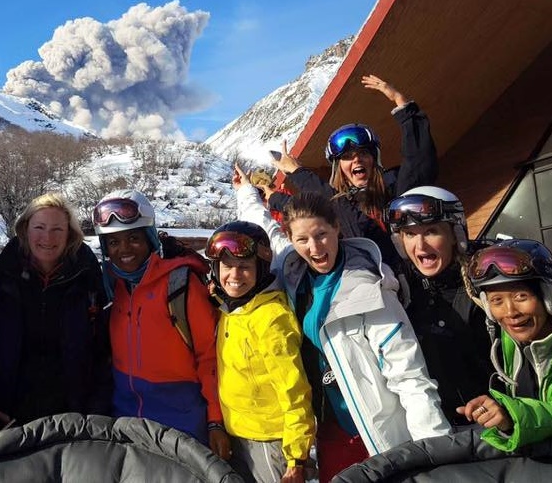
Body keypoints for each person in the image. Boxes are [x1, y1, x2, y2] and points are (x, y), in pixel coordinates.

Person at [234, 167, 450, 482]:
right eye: (303, 239)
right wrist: (244, 192)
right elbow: (263, 225)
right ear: (292, 241)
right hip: (329, 432)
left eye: (321, 234)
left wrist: (437, 453)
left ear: (337, 228)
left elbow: (410, 378)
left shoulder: (369, 291)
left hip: (373, 435)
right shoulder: (294, 272)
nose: (314, 247)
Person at [92, 190, 230, 459]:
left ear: (150, 238)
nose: (124, 250)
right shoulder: (112, 286)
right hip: (127, 420)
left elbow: (210, 356)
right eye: (114, 242)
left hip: (182, 422)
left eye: (133, 238)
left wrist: (215, 421)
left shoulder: (180, 284)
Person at [266, 75, 438, 270]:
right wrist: (272, 197)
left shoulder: (395, 188)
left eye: (363, 153)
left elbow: (419, 163)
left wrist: (403, 107)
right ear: (339, 168)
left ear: (374, 160)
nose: (357, 159)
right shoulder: (334, 208)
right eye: (348, 157)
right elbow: (304, 209)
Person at [0, 192, 111, 430]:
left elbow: (104, 354)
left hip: (73, 419)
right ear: (24, 229)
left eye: (57, 230)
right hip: (6, 417)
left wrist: (95, 413)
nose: (47, 238)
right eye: (39, 227)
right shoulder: (0, 277)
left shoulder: (89, 279)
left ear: (70, 234)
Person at [206, 221, 315, 483]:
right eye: (227, 266)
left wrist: (296, 458)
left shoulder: (271, 319)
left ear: (261, 269)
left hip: (270, 441)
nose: (234, 275)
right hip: (238, 434)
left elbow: (295, 391)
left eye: (244, 267)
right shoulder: (231, 309)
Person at [457, 239, 552, 452]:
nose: (510, 312)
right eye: (497, 300)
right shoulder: (510, 342)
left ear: (550, 296)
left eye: (521, 296)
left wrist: (514, 415)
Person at [384, 186, 494, 425]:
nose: (420, 246)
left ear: (456, 235)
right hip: (438, 431)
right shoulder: (400, 291)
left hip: (499, 426)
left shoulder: (488, 284)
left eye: (431, 231)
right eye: (410, 235)